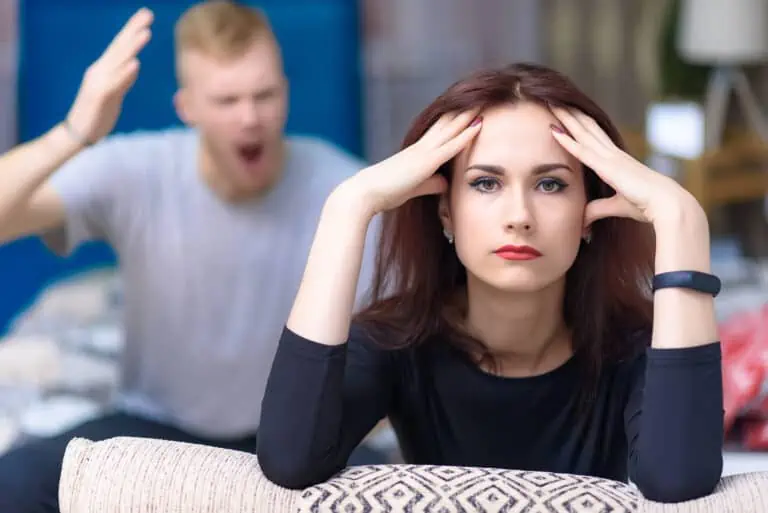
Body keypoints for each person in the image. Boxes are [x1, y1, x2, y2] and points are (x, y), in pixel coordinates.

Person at [256, 62, 725, 503]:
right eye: (485, 183)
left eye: (550, 184)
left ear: (591, 209)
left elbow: (678, 479)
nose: (519, 216)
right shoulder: (399, 339)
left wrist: (681, 217)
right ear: (446, 211)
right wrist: (348, 207)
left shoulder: (637, 346)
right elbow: (290, 459)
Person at [0, 2, 382, 512]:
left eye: (264, 95)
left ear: (286, 92)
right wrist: (74, 133)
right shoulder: (137, 170)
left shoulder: (349, 192)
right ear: (187, 107)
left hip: (299, 443)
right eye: (227, 100)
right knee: (15, 482)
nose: (250, 118)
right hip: (155, 430)